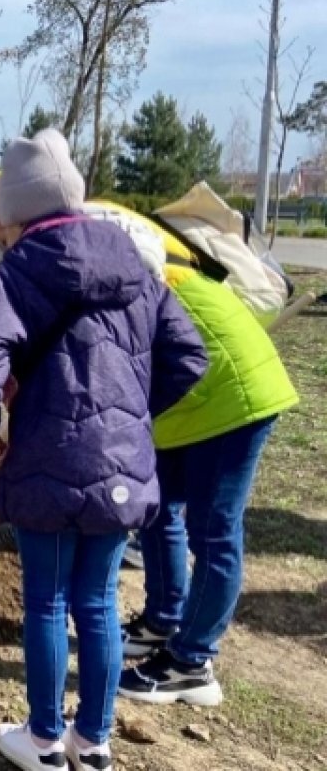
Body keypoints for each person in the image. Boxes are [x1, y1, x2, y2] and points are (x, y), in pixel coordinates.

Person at [0, 129, 208, 771]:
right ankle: (94, 744)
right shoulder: (135, 263)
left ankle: (42, 743)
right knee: (99, 602)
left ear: (15, 211)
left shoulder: (22, 269)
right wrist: (130, 421)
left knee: (48, 602)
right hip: (121, 471)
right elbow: (189, 355)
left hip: (49, 462)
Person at [116, 220, 298, 707]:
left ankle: (191, 663)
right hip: (191, 403)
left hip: (232, 400)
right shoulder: (127, 266)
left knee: (214, 531)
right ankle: (162, 620)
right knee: (155, 507)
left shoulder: (135, 280)